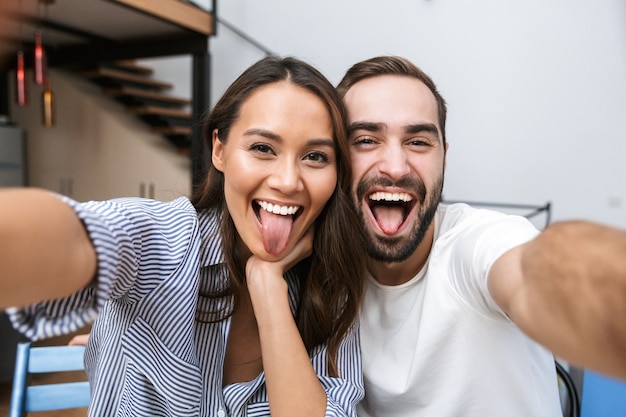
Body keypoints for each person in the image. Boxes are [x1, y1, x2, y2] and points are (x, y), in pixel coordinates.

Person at [0, 56, 368, 417]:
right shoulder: (164, 238)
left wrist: (267, 285)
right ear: (220, 151)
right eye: (262, 148)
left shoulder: (331, 291)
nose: (288, 181)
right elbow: (77, 236)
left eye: (316, 157)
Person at [336, 55, 626, 416]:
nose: (395, 166)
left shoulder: (473, 246)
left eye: (419, 142)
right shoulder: (327, 282)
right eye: (365, 140)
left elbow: (530, 270)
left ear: (444, 157)